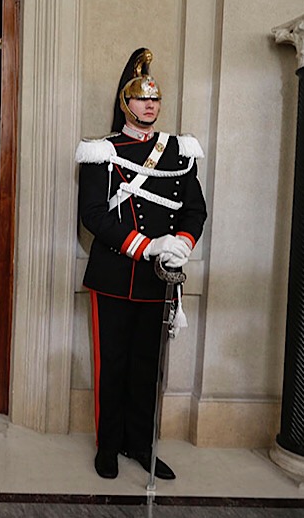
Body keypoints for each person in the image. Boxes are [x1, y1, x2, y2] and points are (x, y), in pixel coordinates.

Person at [75, 48, 207, 481]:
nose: (150, 104)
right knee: (111, 363)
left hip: (158, 281)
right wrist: (146, 246)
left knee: (146, 367)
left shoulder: (179, 150)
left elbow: (194, 210)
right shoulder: (101, 151)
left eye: (156, 99)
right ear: (125, 103)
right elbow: (93, 215)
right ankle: (108, 447)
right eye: (141, 98)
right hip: (115, 273)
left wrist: (182, 245)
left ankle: (140, 444)